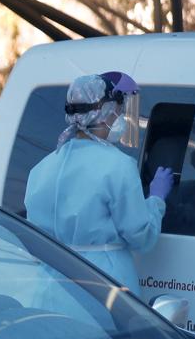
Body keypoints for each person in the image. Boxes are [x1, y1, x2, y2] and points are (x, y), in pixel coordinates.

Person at [23, 72, 174, 293]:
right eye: (118, 111)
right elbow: (141, 236)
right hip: (102, 284)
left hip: (51, 286)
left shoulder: (41, 168)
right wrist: (157, 200)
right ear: (103, 113)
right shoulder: (119, 166)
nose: (120, 117)